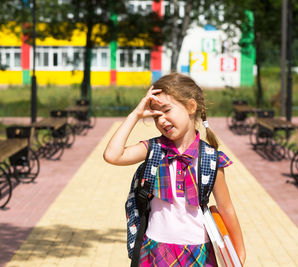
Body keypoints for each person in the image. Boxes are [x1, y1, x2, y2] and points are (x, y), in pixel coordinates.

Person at [103, 73, 246, 266]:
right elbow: (112, 156)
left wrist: (239, 253)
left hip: (199, 249)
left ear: (191, 107)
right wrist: (135, 114)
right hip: (154, 247)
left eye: (167, 110)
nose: (161, 120)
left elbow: (226, 209)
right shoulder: (153, 149)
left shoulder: (211, 159)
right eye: (155, 115)